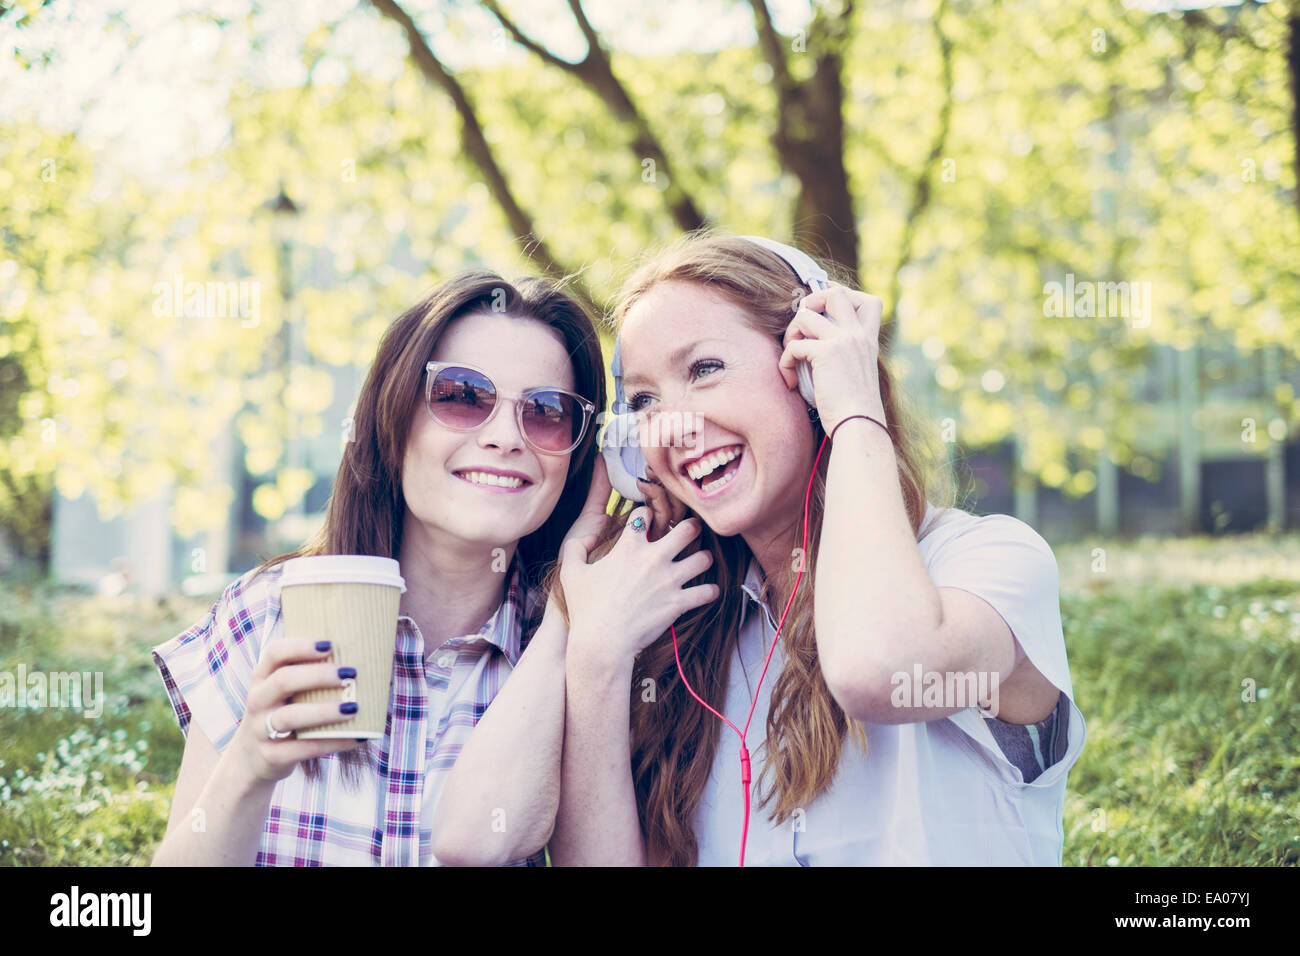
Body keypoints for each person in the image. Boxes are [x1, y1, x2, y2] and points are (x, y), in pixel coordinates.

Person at [443, 231, 1086, 866]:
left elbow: (877, 671)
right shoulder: (687, 630)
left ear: (809, 370)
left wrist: (855, 411)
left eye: (705, 369)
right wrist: (591, 644)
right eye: (644, 401)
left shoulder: (985, 562)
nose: (674, 426)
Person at [149, 271, 607, 866]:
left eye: (546, 411)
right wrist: (250, 764)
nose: (505, 438)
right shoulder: (267, 613)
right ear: (394, 419)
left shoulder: (580, 661)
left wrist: (578, 606)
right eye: (463, 396)